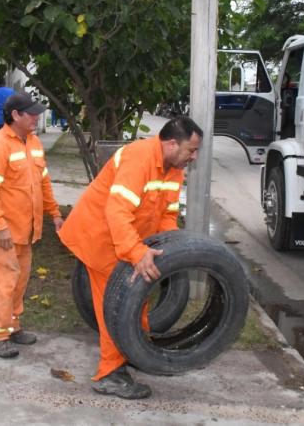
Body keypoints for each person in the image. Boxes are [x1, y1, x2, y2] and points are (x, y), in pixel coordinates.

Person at [58, 116, 202, 400]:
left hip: (131, 242)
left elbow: (167, 215)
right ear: (172, 144)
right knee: (115, 309)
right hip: (102, 240)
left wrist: (170, 253)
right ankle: (109, 375)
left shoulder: (174, 168)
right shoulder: (139, 158)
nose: (194, 157)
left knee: (138, 298)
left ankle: (135, 353)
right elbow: (117, 212)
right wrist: (136, 252)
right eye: (191, 150)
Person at [0, 93, 64, 358]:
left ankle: (12, 325)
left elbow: (43, 182)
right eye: (32, 113)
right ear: (15, 115)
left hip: (25, 230)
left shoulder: (33, 143)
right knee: (3, 282)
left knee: (19, 282)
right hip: (2, 232)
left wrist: (54, 213)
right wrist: (0, 226)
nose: (37, 117)